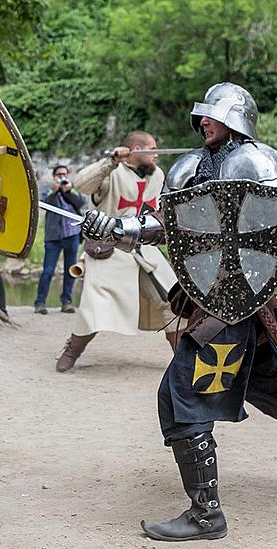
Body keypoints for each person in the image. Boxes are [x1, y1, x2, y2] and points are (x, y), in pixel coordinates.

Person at [81, 82, 277, 541]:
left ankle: (205, 515)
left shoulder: (261, 162)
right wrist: (123, 227)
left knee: (182, 398)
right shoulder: (191, 166)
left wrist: (233, 289)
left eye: (213, 114)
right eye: (202, 115)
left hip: (238, 307)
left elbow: (266, 235)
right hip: (219, 301)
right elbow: (170, 225)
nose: (204, 122)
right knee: (272, 389)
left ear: (238, 119)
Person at [55, 131, 182, 372]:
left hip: (144, 248)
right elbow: (83, 184)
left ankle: (182, 358)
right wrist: (110, 161)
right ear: (135, 149)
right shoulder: (112, 173)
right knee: (95, 306)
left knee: (172, 300)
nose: (155, 154)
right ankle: (72, 350)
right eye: (151, 149)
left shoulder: (158, 176)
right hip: (109, 247)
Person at [34, 164, 86, 314]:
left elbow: (81, 203)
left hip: (72, 234)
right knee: (48, 270)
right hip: (53, 236)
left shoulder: (73, 189)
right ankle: (40, 302)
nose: (61, 177)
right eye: (58, 175)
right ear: (54, 177)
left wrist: (68, 191)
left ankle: (66, 302)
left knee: (71, 269)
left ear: (68, 175)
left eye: (64, 174)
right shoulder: (48, 190)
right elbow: (43, 204)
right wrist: (54, 191)